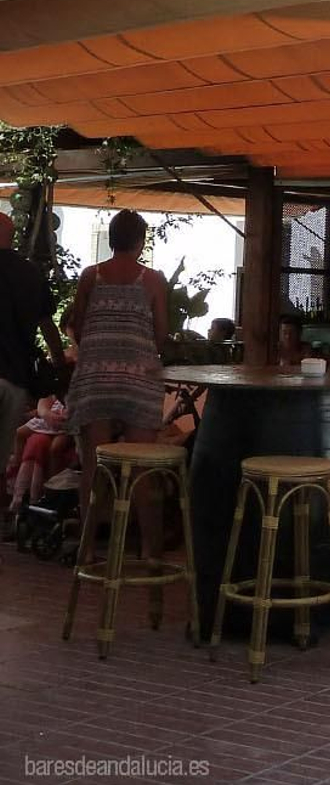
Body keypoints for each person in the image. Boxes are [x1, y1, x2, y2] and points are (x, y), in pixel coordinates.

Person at [64, 209, 167, 563]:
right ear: (140, 241)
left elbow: (77, 325)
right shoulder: (152, 280)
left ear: (111, 238)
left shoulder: (90, 276)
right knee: (141, 466)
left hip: (95, 377)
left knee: (94, 465)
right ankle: (151, 551)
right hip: (138, 377)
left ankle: (88, 546)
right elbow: (162, 335)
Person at [0, 211, 66, 480]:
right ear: (12, 236)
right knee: (1, 460)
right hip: (15, 378)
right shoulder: (29, 272)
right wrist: (59, 365)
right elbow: (47, 325)